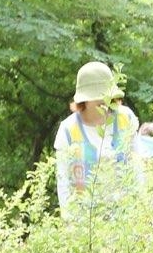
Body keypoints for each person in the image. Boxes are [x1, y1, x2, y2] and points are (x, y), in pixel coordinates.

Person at [53, 61, 140, 216]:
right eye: (97, 97)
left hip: (127, 216)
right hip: (85, 219)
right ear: (84, 99)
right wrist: (69, 219)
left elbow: (138, 165)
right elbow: (63, 181)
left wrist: (142, 209)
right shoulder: (68, 129)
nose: (103, 100)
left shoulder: (126, 118)